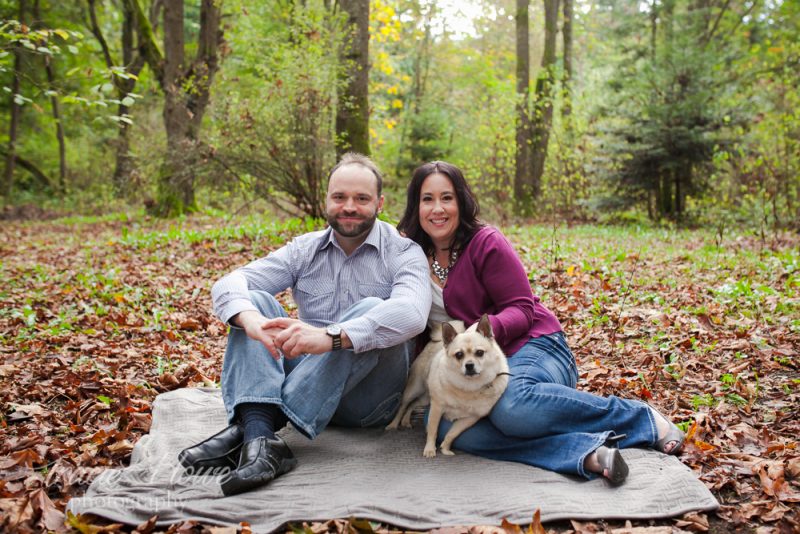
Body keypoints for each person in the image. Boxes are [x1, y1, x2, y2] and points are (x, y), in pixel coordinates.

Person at [396, 161, 685, 485]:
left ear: (461, 201)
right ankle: (587, 454)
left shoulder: (485, 242)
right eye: (428, 199)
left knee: (513, 408)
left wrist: (482, 330)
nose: (438, 209)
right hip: (471, 371)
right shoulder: (411, 254)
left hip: (533, 345)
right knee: (448, 428)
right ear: (415, 205)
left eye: (447, 198)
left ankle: (641, 419)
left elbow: (522, 308)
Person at [179, 153, 431, 496]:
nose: (349, 207)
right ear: (326, 199)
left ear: (380, 203)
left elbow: (413, 313)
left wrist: (333, 337)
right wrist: (250, 319)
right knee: (253, 301)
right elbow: (230, 283)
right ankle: (261, 442)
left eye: (361, 198)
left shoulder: (403, 252)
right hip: (309, 380)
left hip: (368, 401)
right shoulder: (304, 249)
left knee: (372, 310)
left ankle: (254, 424)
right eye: (339, 197)